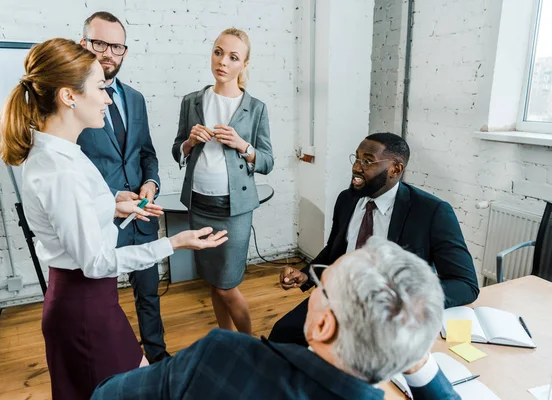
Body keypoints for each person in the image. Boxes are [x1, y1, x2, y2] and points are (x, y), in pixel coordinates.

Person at [0, 38, 228, 399]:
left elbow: (78, 215)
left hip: (90, 304)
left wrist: (115, 205)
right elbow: (98, 262)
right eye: (99, 88)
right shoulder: (61, 170)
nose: (107, 98)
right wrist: (175, 242)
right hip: (85, 310)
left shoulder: (60, 153)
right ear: (69, 97)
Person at [91, 238, 460, 400]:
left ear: (322, 326)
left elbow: (107, 396)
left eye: (321, 284)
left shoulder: (223, 355)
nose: (313, 289)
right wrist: (418, 359)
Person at [270, 132, 479, 346]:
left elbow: (464, 284)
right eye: (357, 158)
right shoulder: (347, 199)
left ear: (395, 169)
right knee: (282, 335)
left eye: (368, 161)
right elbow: (335, 250)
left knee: (350, 358)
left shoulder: (431, 212)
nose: (357, 167)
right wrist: (306, 275)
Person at [76, 12, 169, 364]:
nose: (108, 53)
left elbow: (147, 152)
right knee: (101, 301)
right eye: (100, 43)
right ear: (83, 44)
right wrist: (111, 199)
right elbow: (76, 168)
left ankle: (157, 360)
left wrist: (151, 182)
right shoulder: (72, 100)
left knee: (149, 294)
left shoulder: (136, 98)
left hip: (142, 215)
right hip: (102, 220)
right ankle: (114, 363)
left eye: (116, 46)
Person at [171, 28, 274, 334]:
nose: (223, 62)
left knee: (228, 285)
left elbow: (267, 161)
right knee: (213, 283)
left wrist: (244, 146)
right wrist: (189, 142)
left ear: (244, 64)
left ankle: (249, 344)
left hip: (235, 210)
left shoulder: (255, 108)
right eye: (218, 52)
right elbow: (178, 149)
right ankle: (226, 340)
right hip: (199, 204)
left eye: (233, 57)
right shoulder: (192, 101)